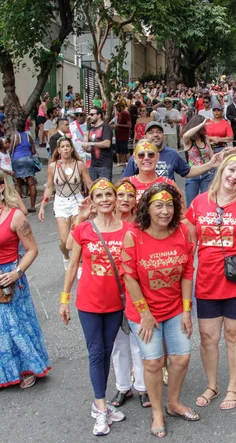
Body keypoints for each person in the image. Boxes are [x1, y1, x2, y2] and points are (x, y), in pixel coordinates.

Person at [185, 154, 236, 411]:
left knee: (233, 334)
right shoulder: (199, 203)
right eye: (231, 170)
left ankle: (233, 386)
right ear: (221, 171)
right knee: (208, 337)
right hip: (207, 280)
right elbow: (189, 243)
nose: (234, 177)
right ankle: (212, 385)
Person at [121, 183, 198, 438]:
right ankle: (157, 412)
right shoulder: (134, 235)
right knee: (153, 362)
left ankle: (173, 403)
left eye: (169, 205)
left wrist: (187, 311)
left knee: (181, 358)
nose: (165, 211)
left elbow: (188, 272)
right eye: (158, 205)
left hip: (175, 308)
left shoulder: (183, 232)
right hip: (144, 312)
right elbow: (129, 276)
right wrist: (145, 313)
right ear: (147, 208)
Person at [59, 178, 128, 436]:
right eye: (98, 196)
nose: (104, 200)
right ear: (93, 201)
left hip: (115, 303)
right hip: (88, 302)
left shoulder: (128, 229)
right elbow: (73, 262)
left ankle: (101, 403)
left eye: (108, 194)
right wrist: (64, 299)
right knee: (96, 352)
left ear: (115, 197)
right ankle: (101, 408)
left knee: (107, 351)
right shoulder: (84, 229)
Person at [0, 171, 50, 389]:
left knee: (15, 325)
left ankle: (27, 367)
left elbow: (32, 249)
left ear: (2, 188)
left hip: (10, 277)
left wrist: (16, 272)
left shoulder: (15, 216)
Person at [108, 179, 150, 409]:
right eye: (120, 194)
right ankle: (123, 387)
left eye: (130, 196)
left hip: (135, 290)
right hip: (110, 291)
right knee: (118, 343)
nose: (124, 199)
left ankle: (143, 387)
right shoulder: (102, 223)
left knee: (138, 341)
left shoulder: (141, 225)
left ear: (136, 201)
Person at [39, 136, 91, 269]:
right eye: (62, 147)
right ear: (58, 150)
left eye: (68, 146)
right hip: (61, 203)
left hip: (76, 202)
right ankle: (66, 256)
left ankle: (79, 265)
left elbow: (89, 183)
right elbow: (50, 187)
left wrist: (95, 200)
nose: (66, 149)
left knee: (76, 236)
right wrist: (42, 207)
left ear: (71, 148)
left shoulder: (79, 165)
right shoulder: (52, 167)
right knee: (64, 241)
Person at [181, 116, 221, 205]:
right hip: (192, 175)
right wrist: (201, 124)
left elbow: (211, 156)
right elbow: (186, 135)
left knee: (207, 202)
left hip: (207, 174)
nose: (205, 128)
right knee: (191, 204)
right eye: (203, 126)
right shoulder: (188, 141)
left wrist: (219, 162)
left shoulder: (205, 138)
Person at [8, 121, 38, 213]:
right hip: (28, 160)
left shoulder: (15, 136)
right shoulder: (29, 137)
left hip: (18, 160)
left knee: (18, 183)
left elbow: (10, 150)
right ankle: (33, 206)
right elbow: (33, 151)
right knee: (31, 183)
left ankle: (20, 207)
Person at [81, 107, 114, 182]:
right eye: (89, 115)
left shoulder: (106, 127)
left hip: (104, 165)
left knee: (105, 188)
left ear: (99, 115)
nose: (90, 117)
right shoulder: (92, 129)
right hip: (93, 165)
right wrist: (86, 143)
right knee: (93, 189)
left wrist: (90, 143)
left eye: (92, 114)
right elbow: (90, 149)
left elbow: (107, 143)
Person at [114, 100, 131, 165]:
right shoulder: (119, 114)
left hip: (124, 136)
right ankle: (123, 166)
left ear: (121, 107)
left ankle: (129, 164)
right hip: (118, 136)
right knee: (120, 152)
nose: (117, 109)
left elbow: (129, 125)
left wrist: (118, 125)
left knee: (125, 151)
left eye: (118, 107)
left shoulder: (126, 114)